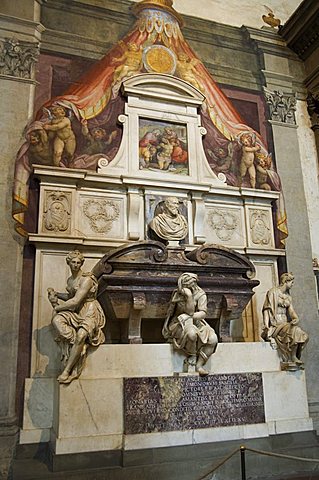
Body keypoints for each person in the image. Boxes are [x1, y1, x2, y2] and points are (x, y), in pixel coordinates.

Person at [48, 250, 105, 384]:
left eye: (78, 262)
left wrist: (56, 307)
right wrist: (57, 294)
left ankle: (67, 371)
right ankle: (78, 346)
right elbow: (71, 297)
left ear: (81, 264)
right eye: (73, 262)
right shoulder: (70, 280)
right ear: (68, 263)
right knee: (57, 320)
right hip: (78, 311)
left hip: (90, 311)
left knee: (81, 335)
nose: (76, 265)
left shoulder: (86, 279)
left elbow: (75, 301)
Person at [162, 273, 218, 375]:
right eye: (186, 286)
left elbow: (201, 313)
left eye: (191, 285)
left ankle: (199, 365)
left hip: (196, 322)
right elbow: (173, 312)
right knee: (191, 334)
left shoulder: (201, 294)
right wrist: (188, 296)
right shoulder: (178, 294)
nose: (191, 287)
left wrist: (190, 315)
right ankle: (192, 357)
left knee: (213, 339)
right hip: (179, 323)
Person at [261, 272, 308, 366]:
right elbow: (267, 309)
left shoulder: (288, 297)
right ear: (286, 281)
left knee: (303, 335)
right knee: (295, 331)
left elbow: (291, 311)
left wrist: (296, 318)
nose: (293, 284)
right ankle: (293, 357)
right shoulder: (273, 292)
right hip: (276, 325)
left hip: (285, 323)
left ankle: (293, 356)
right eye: (292, 282)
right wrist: (266, 325)